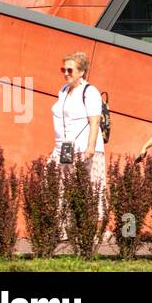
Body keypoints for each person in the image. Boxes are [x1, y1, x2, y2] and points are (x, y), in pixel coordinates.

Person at [51, 51, 107, 214]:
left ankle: (97, 231)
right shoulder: (63, 90)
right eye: (64, 70)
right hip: (65, 147)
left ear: (81, 71)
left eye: (70, 70)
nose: (66, 74)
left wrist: (90, 147)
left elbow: (95, 121)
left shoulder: (89, 91)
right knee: (61, 186)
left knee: (92, 187)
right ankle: (66, 228)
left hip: (85, 148)